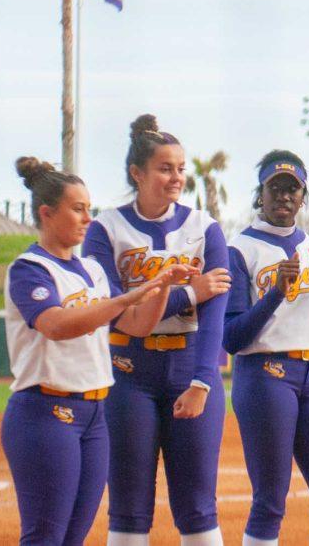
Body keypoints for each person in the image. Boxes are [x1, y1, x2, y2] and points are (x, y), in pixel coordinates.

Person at [2, 156, 189, 546]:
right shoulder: (30, 268)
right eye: (77, 209)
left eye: (89, 208)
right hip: (45, 412)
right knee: (44, 536)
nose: (88, 218)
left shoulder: (93, 270)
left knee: (74, 537)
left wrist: (163, 286)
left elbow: (138, 325)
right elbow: (55, 325)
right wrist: (133, 294)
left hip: (94, 415)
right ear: (47, 213)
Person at [83, 114, 233, 546]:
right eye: (165, 168)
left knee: (199, 506)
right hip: (129, 372)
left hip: (190, 365)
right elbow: (115, 310)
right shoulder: (105, 229)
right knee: (128, 507)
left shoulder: (203, 227)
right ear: (138, 172)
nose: (177, 177)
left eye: (181, 168)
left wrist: (204, 380)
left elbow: (217, 307)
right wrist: (189, 294)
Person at [224, 151, 309, 546]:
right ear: (260, 194)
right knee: (270, 501)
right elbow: (231, 338)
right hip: (265, 376)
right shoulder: (240, 249)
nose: (283, 196)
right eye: (275, 188)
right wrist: (275, 296)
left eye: (292, 189)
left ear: (303, 197)